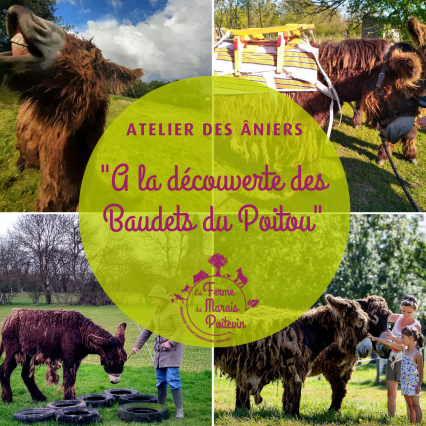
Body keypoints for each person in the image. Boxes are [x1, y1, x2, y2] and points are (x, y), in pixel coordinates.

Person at [132, 285, 186, 419]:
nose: (152, 302)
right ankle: (160, 407)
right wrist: (137, 346)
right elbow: (147, 330)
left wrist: (170, 342)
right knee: (161, 380)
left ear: (162, 299)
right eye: (151, 299)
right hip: (159, 351)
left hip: (172, 350)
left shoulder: (174, 309)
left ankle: (179, 410)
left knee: (173, 379)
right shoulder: (156, 311)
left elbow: (181, 328)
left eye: (154, 299)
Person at [368, 326, 424, 424]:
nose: (401, 340)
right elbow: (390, 343)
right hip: (405, 383)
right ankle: (412, 424)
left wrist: (419, 384)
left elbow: (421, 370)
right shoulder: (403, 349)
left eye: (403, 337)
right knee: (410, 406)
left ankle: (418, 424)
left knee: (416, 406)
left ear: (411, 338)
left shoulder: (417, 354)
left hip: (413, 384)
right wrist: (375, 338)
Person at [381, 296, 421, 418]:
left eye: (409, 312)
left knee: (408, 397)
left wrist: (392, 337)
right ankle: (390, 419)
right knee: (391, 394)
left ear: (415, 310)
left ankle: (411, 421)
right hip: (392, 358)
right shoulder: (397, 317)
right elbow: (381, 317)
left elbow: (407, 344)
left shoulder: (416, 325)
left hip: (407, 361)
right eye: (403, 311)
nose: (405, 314)